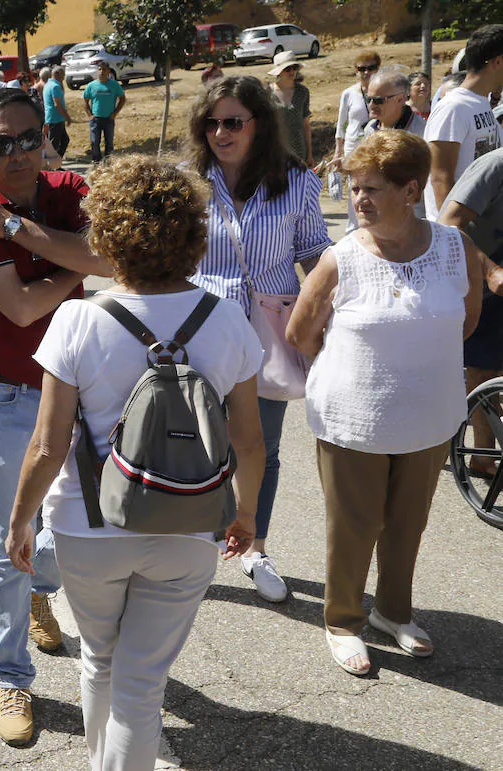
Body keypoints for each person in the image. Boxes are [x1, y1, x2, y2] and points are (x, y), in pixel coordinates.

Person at [8, 155, 263, 769]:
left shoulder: (77, 320)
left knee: (100, 659)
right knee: (142, 683)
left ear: (108, 234)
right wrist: (247, 514)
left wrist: (21, 521)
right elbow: (250, 440)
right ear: (193, 237)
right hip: (190, 522)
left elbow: (48, 444)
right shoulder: (226, 320)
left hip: (88, 526)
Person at [0, 87, 111, 745]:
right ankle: (12, 677)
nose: (17, 153)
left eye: (28, 137)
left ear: (47, 136)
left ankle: (40, 585)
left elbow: (106, 256)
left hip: (80, 388)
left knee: (87, 525)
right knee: (8, 541)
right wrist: (78, 256)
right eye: (0, 143)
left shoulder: (70, 187)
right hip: (7, 395)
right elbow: (18, 309)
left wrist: (17, 230)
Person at [288, 130, 484, 676]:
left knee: (408, 523)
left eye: (371, 188)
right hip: (354, 419)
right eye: (353, 188)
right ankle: (343, 621)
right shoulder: (342, 257)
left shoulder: (454, 248)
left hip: (430, 417)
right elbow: (302, 333)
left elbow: (465, 321)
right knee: (354, 524)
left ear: (411, 189)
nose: (358, 200)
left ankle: (392, 613)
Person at [187, 76, 333, 603]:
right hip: (200, 328)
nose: (220, 132)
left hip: (270, 329)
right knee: (203, 444)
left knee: (262, 447)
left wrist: (331, 316)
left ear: (259, 125)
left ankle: (255, 546)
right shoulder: (190, 180)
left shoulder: (295, 181)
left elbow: (316, 252)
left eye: (232, 122)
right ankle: (201, 546)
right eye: (211, 123)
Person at [441, 148, 503, 476]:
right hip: (467, 275)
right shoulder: (494, 166)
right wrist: (491, 271)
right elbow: (449, 225)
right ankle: (481, 455)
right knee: (481, 367)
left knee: (488, 369)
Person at [424, 24, 503, 220]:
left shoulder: (482, 104)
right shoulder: (454, 107)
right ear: (498, 62)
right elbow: (440, 177)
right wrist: (453, 236)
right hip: (457, 236)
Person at [345, 70, 428, 230]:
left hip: (409, 221)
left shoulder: (422, 133)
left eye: (378, 100)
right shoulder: (370, 128)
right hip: (377, 220)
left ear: (401, 99)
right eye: (368, 99)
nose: (371, 105)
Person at [333, 50, 380, 173]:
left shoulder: (384, 93)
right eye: (361, 68)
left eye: (371, 68)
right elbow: (341, 123)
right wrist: (339, 150)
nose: (366, 72)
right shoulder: (348, 93)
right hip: (353, 145)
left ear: (378, 69)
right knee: (354, 185)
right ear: (356, 71)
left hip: (376, 144)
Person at [268, 51, 312, 166]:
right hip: (275, 151)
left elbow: (305, 124)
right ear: (279, 71)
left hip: (299, 150)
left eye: (294, 68)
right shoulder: (267, 93)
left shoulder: (302, 92)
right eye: (287, 69)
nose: (292, 72)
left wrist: (310, 153)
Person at [82, 62, 125, 163]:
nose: (101, 72)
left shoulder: (114, 85)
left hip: (109, 118)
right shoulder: (91, 86)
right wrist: (89, 114)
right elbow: (85, 100)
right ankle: (96, 162)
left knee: (109, 142)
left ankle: (108, 162)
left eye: (104, 69)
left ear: (108, 71)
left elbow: (122, 99)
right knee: (95, 142)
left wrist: (115, 113)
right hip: (95, 119)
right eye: (99, 69)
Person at [42, 66, 71, 161]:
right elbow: (57, 104)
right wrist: (67, 117)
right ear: (57, 74)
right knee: (54, 144)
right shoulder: (55, 87)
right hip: (56, 119)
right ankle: (50, 165)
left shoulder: (47, 85)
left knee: (63, 140)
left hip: (52, 118)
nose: (64, 78)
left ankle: (55, 163)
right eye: (63, 75)